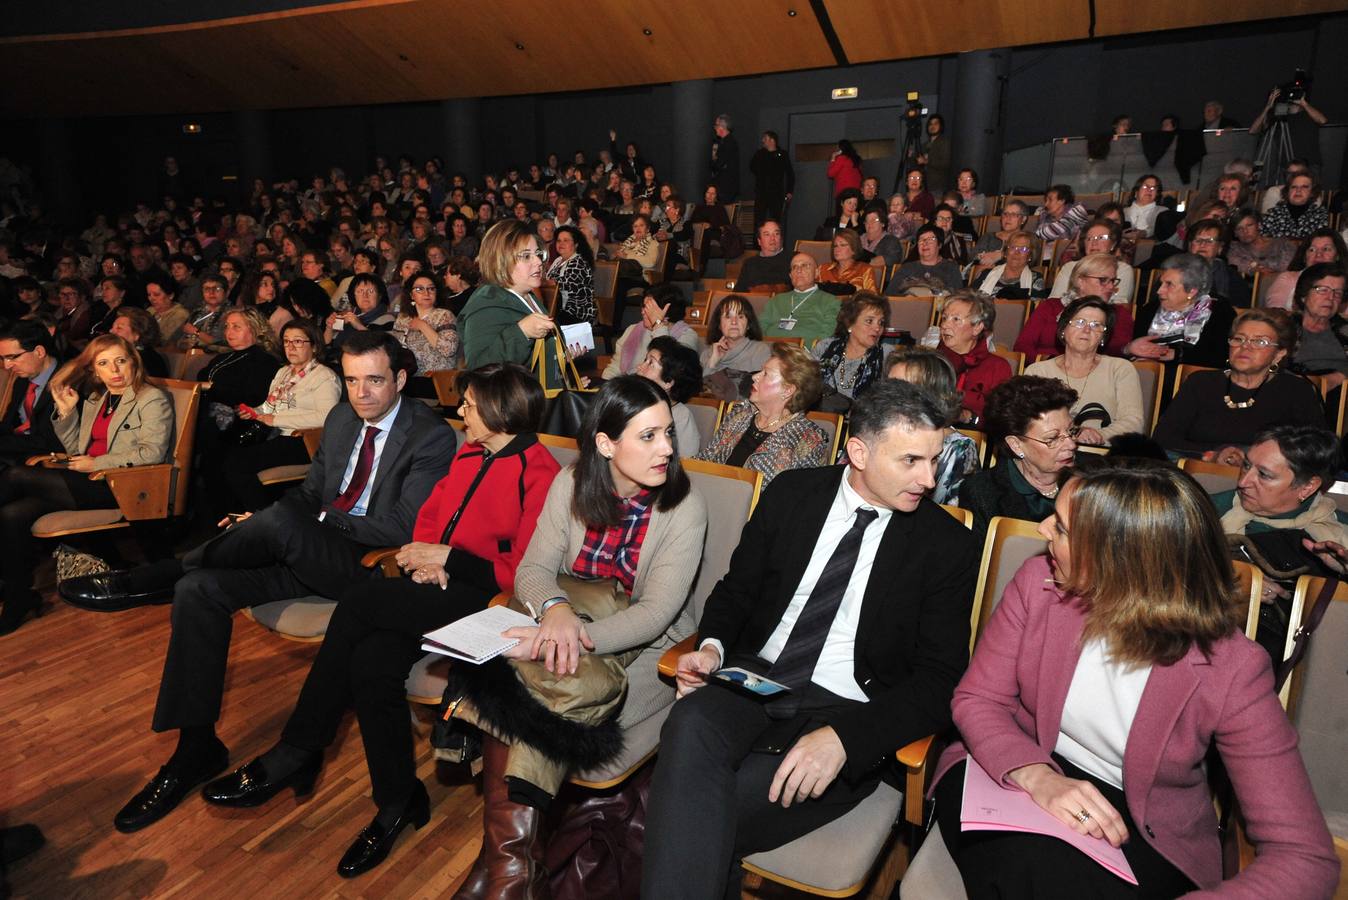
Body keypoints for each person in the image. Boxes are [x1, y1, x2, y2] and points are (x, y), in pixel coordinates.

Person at [59, 331, 456, 832]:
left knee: (278, 524)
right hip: (309, 551)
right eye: (352, 380)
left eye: (375, 380)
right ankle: (195, 747)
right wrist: (268, 522)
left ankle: (154, 576)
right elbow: (311, 494)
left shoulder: (430, 434)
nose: (361, 393)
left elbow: (403, 527)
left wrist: (306, 524)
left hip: (367, 566)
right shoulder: (340, 419)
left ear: (399, 379)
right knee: (199, 589)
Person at [200, 364, 558, 879]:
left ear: (501, 410)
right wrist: (421, 556)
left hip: (490, 600)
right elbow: (432, 517)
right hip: (434, 584)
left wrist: (449, 559)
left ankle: (299, 748)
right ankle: (398, 801)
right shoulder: (469, 452)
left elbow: (526, 570)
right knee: (370, 662)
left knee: (363, 601)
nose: (462, 411)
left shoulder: (539, 471)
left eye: (471, 404)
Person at [934, 459, 1340, 898]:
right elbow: (978, 699)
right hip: (1018, 766)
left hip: (1147, 824)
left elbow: (1304, 856)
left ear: (1121, 559)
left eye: (1064, 529)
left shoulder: (1229, 668)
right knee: (1031, 867)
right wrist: (1037, 775)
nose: (1043, 529)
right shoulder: (1039, 584)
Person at [644, 380, 979, 900]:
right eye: (911, 461)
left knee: (700, 811)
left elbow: (940, 681)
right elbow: (736, 591)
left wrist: (848, 740)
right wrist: (710, 648)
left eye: (933, 461)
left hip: (850, 709)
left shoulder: (947, 545)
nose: (928, 479)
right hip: (758, 677)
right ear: (859, 452)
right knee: (689, 723)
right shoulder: (793, 494)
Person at [448, 376, 707, 893]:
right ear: (606, 444)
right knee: (537, 683)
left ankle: (501, 867)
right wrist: (556, 611)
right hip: (565, 620)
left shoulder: (683, 506)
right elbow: (533, 568)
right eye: (649, 436)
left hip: (646, 650)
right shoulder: (571, 483)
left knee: (532, 692)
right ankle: (512, 866)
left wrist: (571, 638)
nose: (667, 450)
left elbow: (656, 614)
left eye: (668, 434)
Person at [0, 336, 173, 634]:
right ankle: (19, 597)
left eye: (121, 360)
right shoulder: (97, 398)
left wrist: (97, 464)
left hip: (121, 486)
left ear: (133, 361)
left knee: (17, 475)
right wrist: (68, 413)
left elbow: (152, 453)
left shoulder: (151, 397)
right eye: (104, 363)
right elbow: (78, 447)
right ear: (94, 370)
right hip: (84, 481)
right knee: (12, 514)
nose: (115, 370)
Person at [1153, 309, 1324, 463]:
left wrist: (1250, 458)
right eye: (1238, 339)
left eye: (1260, 342)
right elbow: (1164, 438)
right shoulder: (1200, 382)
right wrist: (1214, 454)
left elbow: (1317, 449)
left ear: (1279, 354)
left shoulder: (1296, 391)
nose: (1245, 347)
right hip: (1200, 475)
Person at [220, 319, 341, 512]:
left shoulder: (324, 376)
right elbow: (270, 406)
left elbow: (327, 418)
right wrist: (254, 412)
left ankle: (264, 519)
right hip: (274, 433)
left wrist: (276, 419)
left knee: (237, 464)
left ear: (315, 346)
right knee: (223, 454)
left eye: (298, 342)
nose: (290, 347)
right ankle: (243, 516)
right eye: (286, 341)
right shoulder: (284, 372)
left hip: (303, 441)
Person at [958, 376, 1079, 536]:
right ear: (1015, 445)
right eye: (1052, 439)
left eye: (1071, 431)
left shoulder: (1093, 479)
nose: (1071, 444)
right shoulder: (982, 493)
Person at [696, 343, 828, 485]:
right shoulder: (740, 413)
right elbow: (707, 458)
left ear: (787, 390)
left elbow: (796, 500)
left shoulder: (807, 442)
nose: (755, 377)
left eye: (765, 374)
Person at [1026, 297, 1145, 444]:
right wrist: (1073, 433)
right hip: (1049, 454)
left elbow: (1133, 422)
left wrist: (1099, 435)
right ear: (1063, 329)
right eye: (1080, 322)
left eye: (1096, 325)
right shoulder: (1037, 372)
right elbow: (1028, 421)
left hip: (1103, 459)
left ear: (1103, 337)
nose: (1087, 330)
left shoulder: (1120, 369)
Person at [460, 221, 561, 386]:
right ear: (501, 260)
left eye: (538, 254)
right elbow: (479, 369)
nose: (538, 262)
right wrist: (522, 332)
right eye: (527, 256)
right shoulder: (487, 302)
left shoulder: (527, 295)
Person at [884, 347, 979, 503]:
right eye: (889, 387)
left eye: (903, 388)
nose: (890, 395)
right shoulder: (874, 430)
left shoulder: (958, 448)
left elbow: (950, 517)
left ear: (934, 395)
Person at [1125, 253, 1237, 376]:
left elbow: (1219, 357)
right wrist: (1130, 349)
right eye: (1161, 283)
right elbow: (1133, 348)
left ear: (1192, 291)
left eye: (1169, 285)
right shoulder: (1150, 310)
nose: (1159, 291)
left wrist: (1176, 355)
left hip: (1195, 381)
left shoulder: (1220, 312)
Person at [935, 290, 1012, 424]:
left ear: (977, 327)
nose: (945, 325)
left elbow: (1002, 419)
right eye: (944, 318)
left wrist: (968, 417)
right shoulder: (931, 362)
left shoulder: (997, 367)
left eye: (956, 319)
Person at [602, 283, 700, 379]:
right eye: (644, 306)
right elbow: (615, 367)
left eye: (649, 309)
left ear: (666, 311)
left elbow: (669, 367)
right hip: (629, 388)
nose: (642, 312)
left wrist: (658, 325)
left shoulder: (687, 335)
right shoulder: (633, 329)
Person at [0, 320, 63, 465]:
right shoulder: (22, 380)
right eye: (3, 358)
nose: (7, 365)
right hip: (16, 452)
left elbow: (51, 441)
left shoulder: (68, 381)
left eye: (12, 357)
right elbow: (9, 425)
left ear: (39, 352)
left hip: (44, 460)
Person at [813, 292, 889, 404]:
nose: (877, 328)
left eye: (881, 322)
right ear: (850, 324)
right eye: (869, 321)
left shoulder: (887, 355)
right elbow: (805, 387)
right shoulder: (825, 347)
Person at [636, 336, 705, 455]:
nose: (640, 367)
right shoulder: (629, 403)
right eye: (645, 360)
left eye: (650, 363)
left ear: (668, 382)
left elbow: (685, 465)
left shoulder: (681, 417)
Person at [391, 272, 459, 388]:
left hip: (436, 380)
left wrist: (423, 326)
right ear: (411, 295)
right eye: (419, 289)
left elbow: (449, 349)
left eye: (431, 288)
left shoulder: (444, 315)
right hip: (407, 378)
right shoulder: (402, 319)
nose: (426, 293)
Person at [700, 294, 772, 400]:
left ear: (748, 325)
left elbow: (758, 394)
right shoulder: (707, 353)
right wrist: (712, 363)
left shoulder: (760, 351)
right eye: (728, 317)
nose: (734, 322)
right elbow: (704, 395)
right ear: (719, 324)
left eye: (740, 316)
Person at [1049, 219, 1137, 304]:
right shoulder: (1069, 267)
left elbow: (1119, 303)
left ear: (1113, 244)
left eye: (1101, 238)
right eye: (1089, 238)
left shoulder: (1122, 270)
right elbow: (1055, 301)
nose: (1094, 242)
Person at [761, 253, 839, 346]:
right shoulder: (775, 300)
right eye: (794, 267)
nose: (799, 270)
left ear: (817, 273)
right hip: (770, 351)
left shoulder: (831, 301)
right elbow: (759, 330)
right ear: (790, 275)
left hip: (803, 355)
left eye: (805, 266)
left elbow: (826, 336)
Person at [1290, 263, 1348, 384]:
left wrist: (1338, 378)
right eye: (1322, 290)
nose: (1330, 297)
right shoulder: (1284, 328)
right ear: (1303, 295)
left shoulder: (1345, 330)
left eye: (1337, 293)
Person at [1262, 229, 1346, 311]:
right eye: (1312, 250)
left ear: (1338, 255)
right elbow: (1275, 313)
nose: (1318, 254)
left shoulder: (1345, 282)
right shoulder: (1288, 278)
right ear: (1304, 257)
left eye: (1326, 249)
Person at [324, 273, 395, 353]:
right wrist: (329, 327)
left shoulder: (387, 318)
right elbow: (327, 346)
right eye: (360, 291)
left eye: (371, 291)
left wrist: (359, 326)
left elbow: (382, 349)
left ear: (379, 295)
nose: (365, 295)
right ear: (353, 295)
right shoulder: (349, 315)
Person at [887, 225, 964, 295]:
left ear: (940, 245)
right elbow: (890, 295)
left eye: (930, 239)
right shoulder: (906, 268)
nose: (925, 243)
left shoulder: (951, 268)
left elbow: (956, 297)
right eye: (921, 240)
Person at [544, 225, 595, 325]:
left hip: (575, 312)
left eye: (566, 240)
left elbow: (560, 284)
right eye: (558, 240)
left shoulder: (579, 262)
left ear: (575, 244)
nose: (561, 243)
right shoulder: (558, 260)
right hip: (557, 308)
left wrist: (540, 281)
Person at [976, 231, 1047, 300]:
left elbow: (1036, 308)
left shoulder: (1035, 279)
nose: (1017, 252)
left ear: (1030, 256)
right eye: (1013, 247)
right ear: (1006, 253)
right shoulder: (986, 274)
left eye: (1023, 249)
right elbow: (969, 300)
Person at [1227, 209, 1296, 278]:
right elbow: (1238, 265)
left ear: (1258, 225)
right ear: (1235, 233)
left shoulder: (1282, 244)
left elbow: (1290, 268)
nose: (1245, 231)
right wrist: (1256, 269)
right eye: (1239, 228)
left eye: (1249, 225)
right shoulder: (1234, 250)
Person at [1261, 172, 1329, 240]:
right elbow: (1263, 241)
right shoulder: (1273, 214)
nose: (1298, 191)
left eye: (1304, 187)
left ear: (1312, 192)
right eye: (1294, 187)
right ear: (1288, 191)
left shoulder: (1320, 214)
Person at [109, 306, 169, 379]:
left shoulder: (146, 360)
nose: (111, 331)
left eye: (119, 328)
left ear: (137, 334)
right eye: (112, 327)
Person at [750, 131, 794, 227]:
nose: (763, 141)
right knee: (759, 220)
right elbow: (752, 167)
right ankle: (758, 241)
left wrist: (789, 190)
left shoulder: (782, 155)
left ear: (772, 140)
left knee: (776, 219)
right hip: (761, 192)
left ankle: (775, 238)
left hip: (776, 193)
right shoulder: (760, 154)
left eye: (765, 138)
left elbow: (790, 174)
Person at [734, 219, 790, 292]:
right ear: (759, 241)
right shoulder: (750, 264)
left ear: (781, 238)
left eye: (776, 234)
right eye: (767, 234)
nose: (772, 238)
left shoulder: (794, 260)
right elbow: (739, 293)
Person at [818, 230, 877, 294]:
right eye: (835, 246)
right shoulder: (823, 268)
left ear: (854, 249)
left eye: (842, 245)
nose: (837, 249)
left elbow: (872, 298)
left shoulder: (865, 269)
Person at [974, 200, 1030, 268]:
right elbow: (972, 257)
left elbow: (1031, 260)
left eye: (1013, 215)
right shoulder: (988, 236)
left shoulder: (1028, 239)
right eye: (1005, 214)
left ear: (1023, 219)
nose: (1008, 218)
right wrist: (982, 258)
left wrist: (1002, 255)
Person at [145, 272, 190, 346]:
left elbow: (165, 340)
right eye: (149, 295)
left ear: (171, 295)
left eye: (156, 294)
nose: (151, 298)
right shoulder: (150, 310)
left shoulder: (180, 314)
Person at [711, 114, 740, 201]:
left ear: (722, 127)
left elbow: (719, 164)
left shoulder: (728, 143)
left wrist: (714, 161)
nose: (714, 128)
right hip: (725, 186)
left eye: (716, 125)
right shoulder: (725, 142)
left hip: (726, 187)